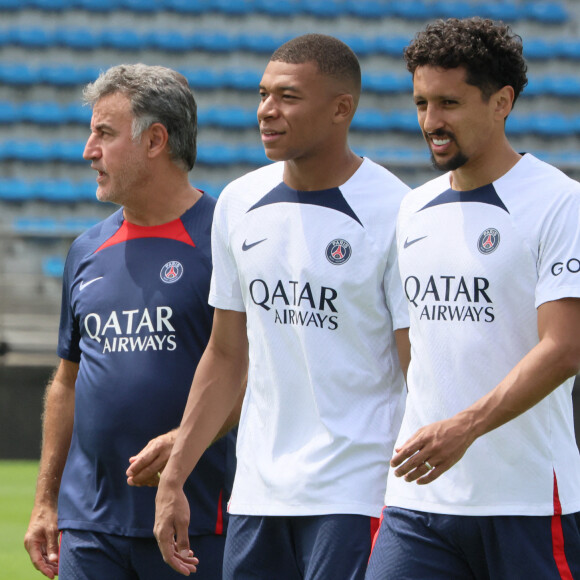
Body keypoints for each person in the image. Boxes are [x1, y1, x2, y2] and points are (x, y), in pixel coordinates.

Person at [153, 33, 410, 579]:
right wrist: (175, 477)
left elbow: (419, 366)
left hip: (356, 494)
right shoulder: (240, 203)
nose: (266, 111)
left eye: (288, 97)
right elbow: (225, 356)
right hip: (256, 493)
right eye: (264, 94)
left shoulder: (399, 212)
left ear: (342, 109)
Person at [366, 17, 580, 579]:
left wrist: (464, 426)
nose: (431, 122)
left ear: (501, 101)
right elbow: (416, 342)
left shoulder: (559, 203)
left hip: (525, 499)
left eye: (449, 104)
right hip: (420, 502)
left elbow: (565, 348)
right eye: (421, 104)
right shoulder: (413, 209)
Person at [24, 64, 239, 580]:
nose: (87, 151)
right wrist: (46, 501)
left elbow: (253, 373)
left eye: (104, 133)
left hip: (193, 524)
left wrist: (185, 440)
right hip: (89, 528)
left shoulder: (226, 239)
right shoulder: (86, 249)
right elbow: (67, 383)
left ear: (155, 140)